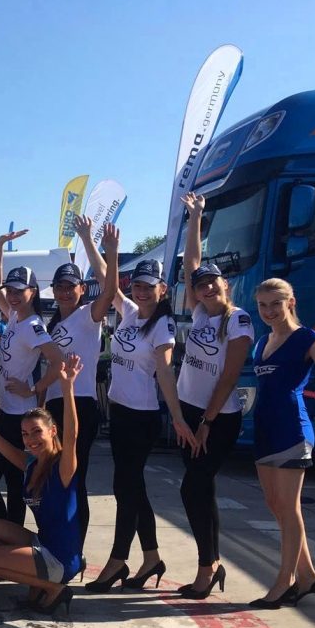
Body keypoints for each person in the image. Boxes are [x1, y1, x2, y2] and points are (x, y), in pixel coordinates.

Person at [85, 243, 197, 593]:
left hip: (141, 416)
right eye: (137, 285)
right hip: (119, 411)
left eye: (149, 286)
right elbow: (106, 280)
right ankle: (151, 558)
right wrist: (95, 243)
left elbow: (165, 372)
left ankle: (118, 560)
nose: (142, 291)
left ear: (162, 289)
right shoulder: (131, 313)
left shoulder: (162, 325)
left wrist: (177, 416)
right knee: (133, 489)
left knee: (125, 488)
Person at [175, 193, 255, 599]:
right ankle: (212, 562)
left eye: (212, 282)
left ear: (226, 284)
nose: (204, 287)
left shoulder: (237, 320)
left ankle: (207, 567)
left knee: (192, 488)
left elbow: (229, 377)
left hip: (217, 418)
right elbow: (193, 264)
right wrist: (196, 218)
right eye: (200, 285)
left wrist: (206, 421)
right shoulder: (201, 313)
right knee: (202, 489)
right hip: (190, 413)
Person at [249, 279, 315, 609]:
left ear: (291, 302)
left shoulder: (306, 337)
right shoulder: (262, 341)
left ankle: (284, 581)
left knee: (289, 508)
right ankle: (307, 577)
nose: (269, 311)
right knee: (276, 505)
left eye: (276, 303)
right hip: (265, 430)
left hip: (292, 430)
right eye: (263, 305)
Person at [0, 354, 84, 616]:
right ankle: (38, 580)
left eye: (37, 431)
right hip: (43, 543)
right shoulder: (30, 463)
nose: (30, 439)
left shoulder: (63, 466)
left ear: (52, 431)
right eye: (25, 434)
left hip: (59, 557)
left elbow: (72, 435)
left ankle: (54, 588)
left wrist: (68, 388)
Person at [0, 228, 64, 524]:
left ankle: (9, 534)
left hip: (19, 416)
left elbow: (58, 362)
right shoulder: (14, 317)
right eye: (11, 291)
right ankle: (6, 531)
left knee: (8, 482)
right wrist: (0, 245)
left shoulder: (33, 326)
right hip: (6, 410)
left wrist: (34, 389)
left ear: (33, 292)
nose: (12, 296)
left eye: (19, 291)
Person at [44, 216, 119, 548]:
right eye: (59, 287)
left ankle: (76, 547)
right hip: (53, 407)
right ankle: (56, 540)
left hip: (81, 405)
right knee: (53, 477)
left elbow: (111, 290)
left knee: (75, 477)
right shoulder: (52, 324)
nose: (64, 292)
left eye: (70, 287)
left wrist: (100, 245)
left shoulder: (88, 316)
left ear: (81, 289)